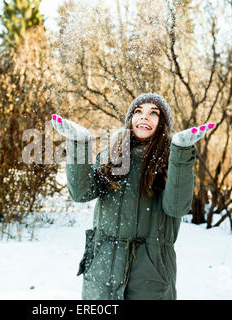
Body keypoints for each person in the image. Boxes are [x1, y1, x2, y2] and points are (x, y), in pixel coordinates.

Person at [51, 93, 215, 300]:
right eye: (138, 111)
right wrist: (80, 143)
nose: (144, 117)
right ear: (130, 120)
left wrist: (181, 151)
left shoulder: (171, 162)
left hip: (150, 275)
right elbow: (81, 193)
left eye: (153, 113)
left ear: (163, 123)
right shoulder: (110, 157)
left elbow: (176, 208)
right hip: (103, 272)